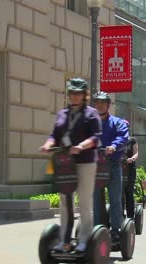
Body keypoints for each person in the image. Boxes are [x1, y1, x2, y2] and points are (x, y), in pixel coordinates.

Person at [40, 78, 101, 252]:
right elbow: (54, 135)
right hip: (65, 163)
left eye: (78, 93)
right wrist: (48, 144)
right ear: (68, 94)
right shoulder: (62, 114)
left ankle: (84, 241)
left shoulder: (91, 113)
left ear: (84, 95)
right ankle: (64, 241)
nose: (75, 96)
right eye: (72, 93)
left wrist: (82, 145)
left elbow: (96, 137)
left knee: (84, 202)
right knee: (65, 203)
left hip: (85, 162)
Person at [92, 91, 129, 243]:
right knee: (96, 200)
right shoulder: (91, 123)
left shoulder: (117, 122)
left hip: (113, 165)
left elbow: (123, 136)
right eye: (97, 102)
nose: (100, 105)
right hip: (95, 166)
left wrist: (113, 146)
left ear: (108, 105)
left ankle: (115, 231)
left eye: (103, 102)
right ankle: (98, 230)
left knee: (115, 199)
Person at [122, 120, 139, 218]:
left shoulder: (132, 140)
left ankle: (130, 216)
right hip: (119, 168)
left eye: (126, 127)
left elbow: (136, 152)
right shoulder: (117, 139)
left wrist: (132, 158)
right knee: (119, 194)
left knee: (129, 193)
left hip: (130, 169)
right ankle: (119, 215)